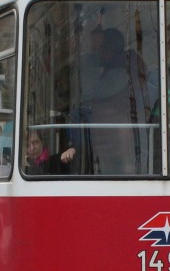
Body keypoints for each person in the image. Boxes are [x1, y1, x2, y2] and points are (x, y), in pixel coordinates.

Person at [60, 27, 159, 174]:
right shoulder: (115, 71)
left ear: (111, 49)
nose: (98, 52)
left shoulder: (121, 74)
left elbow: (90, 91)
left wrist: (89, 59)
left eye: (101, 48)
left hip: (121, 135)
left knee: (125, 172)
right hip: (107, 133)